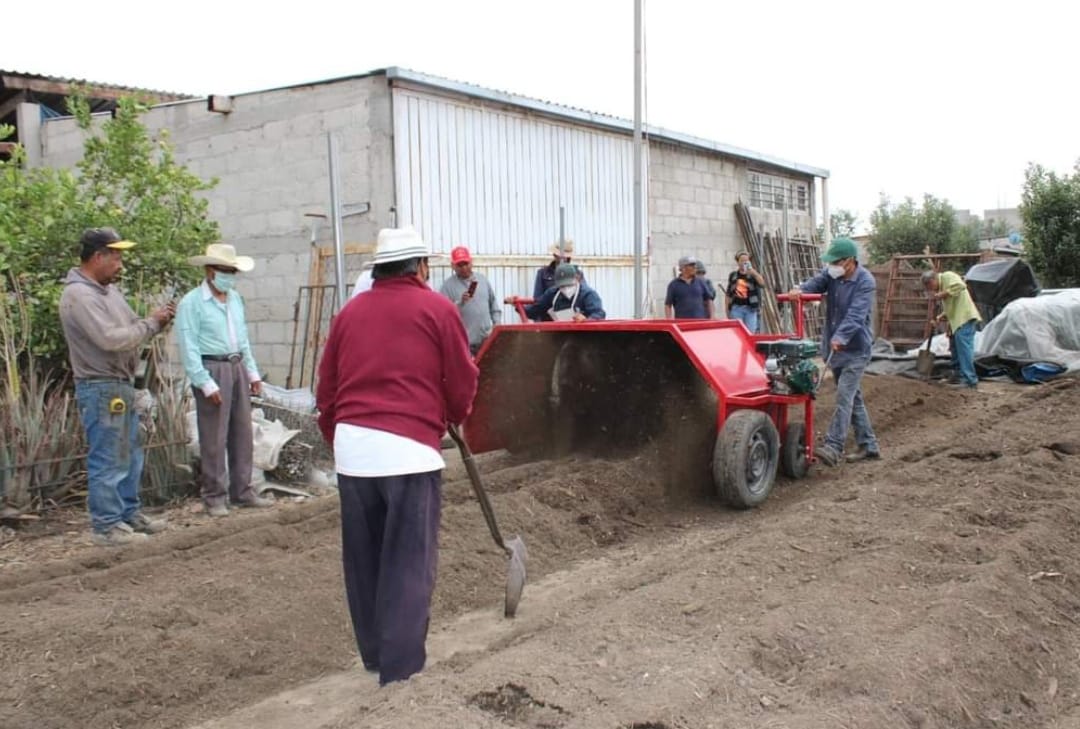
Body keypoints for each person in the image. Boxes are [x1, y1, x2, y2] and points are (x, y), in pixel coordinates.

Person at [316, 226, 479, 686]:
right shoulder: (437, 308)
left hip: (353, 451)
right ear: (421, 267)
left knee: (364, 559)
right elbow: (463, 379)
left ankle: (374, 656)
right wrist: (449, 415)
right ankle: (401, 673)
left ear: (379, 268)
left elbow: (326, 387)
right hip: (408, 451)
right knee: (407, 562)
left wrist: (337, 435)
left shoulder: (348, 314)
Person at [59, 228, 174, 546]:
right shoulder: (79, 296)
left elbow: (131, 326)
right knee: (108, 457)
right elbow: (111, 339)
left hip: (120, 385)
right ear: (98, 257)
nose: (121, 264)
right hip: (100, 387)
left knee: (129, 454)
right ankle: (107, 526)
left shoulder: (106, 291)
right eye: (116, 257)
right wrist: (151, 324)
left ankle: (127, 515)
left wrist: (155, 321)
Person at [175, 243, 272, 517]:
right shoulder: (191, 303)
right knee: (214, 435)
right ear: (209, 270)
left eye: (232, 271)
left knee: (242, 431)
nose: (228, 276)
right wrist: (204, 382)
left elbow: (243, 340)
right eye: (223, 270)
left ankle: (242, 491)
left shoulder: (235, 300)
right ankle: (214, 496)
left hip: (236, 364)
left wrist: (252, 372)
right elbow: (189, 346)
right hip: (212, 366)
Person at [787, 237, 880, 465]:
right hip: (835, 347)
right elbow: (816, 283)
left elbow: (857, 314)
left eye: (836, 262)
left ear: (849, 261)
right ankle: (869, 446)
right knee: (853, 399)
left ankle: (833, 446)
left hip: (856, 348)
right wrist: (800, 291)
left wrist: (841, 337)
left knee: (844, 396)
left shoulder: (865, 282)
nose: (832, 266)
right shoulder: (832, 274)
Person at [922, 269, 982, 389]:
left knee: (964, 350)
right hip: (956, 321)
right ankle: (958, 375)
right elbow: (950, 307)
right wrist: (940, 317)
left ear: (933, 280)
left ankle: (970, 380)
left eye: (930, 286)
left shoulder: (947, 276)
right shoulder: (942, 287)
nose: (931, 290)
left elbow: (961, 285)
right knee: (954, 348)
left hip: (964, 318)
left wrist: (943, 294)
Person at [440, 245, 502, 356]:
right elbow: (443, 315)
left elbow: (493, 305)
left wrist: (497, 325)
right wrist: (460, 303)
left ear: (471, 262)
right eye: (460, 265)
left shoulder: (482, 280)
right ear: (453, 266)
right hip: (463, 345)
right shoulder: (447, 287)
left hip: (487, 341)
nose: (464, 268)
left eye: (466, 263)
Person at [523, 263, 605, 322]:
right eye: (562, 286)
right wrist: (518, 307)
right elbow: (535, 309)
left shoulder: (588, 294)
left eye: (569, 285)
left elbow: (599, 313)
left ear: (577, 279)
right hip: (560, 336)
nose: (566, 288)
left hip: (585, 336)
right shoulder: (552, 293)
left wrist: (586, 320)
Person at [727, 251, 765, 333]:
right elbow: (728, 294)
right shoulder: (733, 275)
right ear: (738, 262)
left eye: (746, 260)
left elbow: (762, 284)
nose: (744, 262)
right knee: (737, 332)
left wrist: (753, 272)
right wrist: (727, 310)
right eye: (742, 260)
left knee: (750, 332)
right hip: (736, 308)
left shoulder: (753, 274)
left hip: (750, 309)